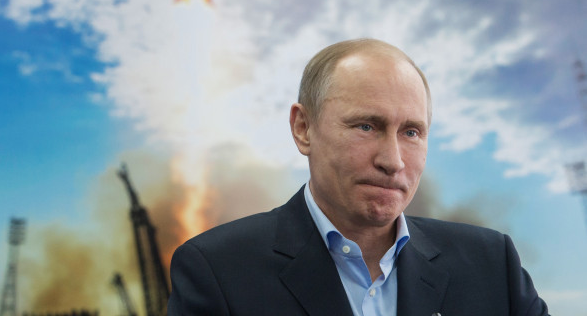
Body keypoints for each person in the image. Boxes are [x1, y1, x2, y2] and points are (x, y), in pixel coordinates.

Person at [167, 39, 549, 315]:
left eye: (411, 132)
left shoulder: (492, 265)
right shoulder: (217, 271)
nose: (393, 161)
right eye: (366, 126)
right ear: (303, 128)